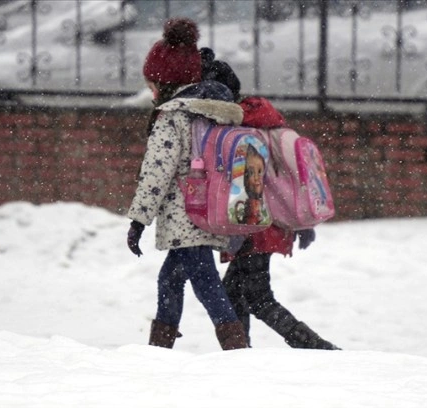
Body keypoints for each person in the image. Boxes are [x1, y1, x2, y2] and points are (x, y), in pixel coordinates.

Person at [200, 47, 340, 350]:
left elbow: (251, 184)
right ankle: (241, 354)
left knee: (259, 298)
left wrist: (239, 229)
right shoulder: (267, 121)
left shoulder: (241, 129)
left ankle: (318, 348)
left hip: (255, 223)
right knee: (234, 290)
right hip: (272, 221)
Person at [126, 18, 248, 350]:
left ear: (165, 83)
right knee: (170, 278)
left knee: (206, 281)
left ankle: (237, 349)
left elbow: (156, 172)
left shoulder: (173, 116)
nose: (150, 91)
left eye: (152, 84)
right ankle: (159, 350)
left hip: (185, 213)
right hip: (211, 205)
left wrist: (139, 220)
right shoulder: (214, 111)